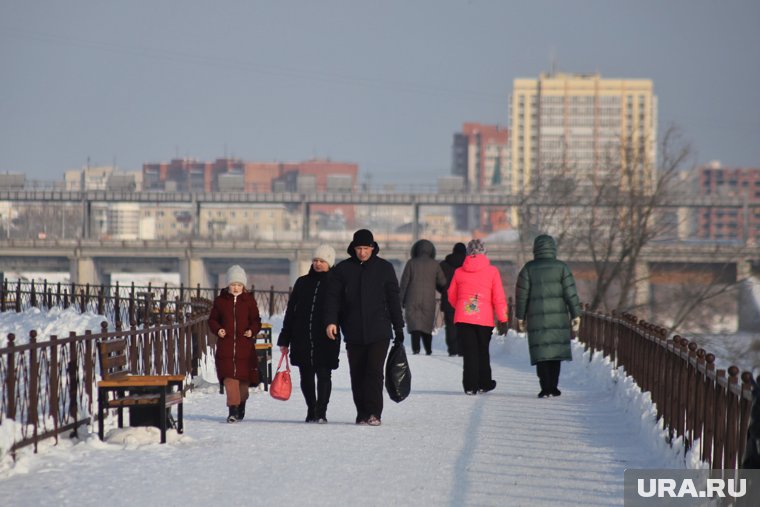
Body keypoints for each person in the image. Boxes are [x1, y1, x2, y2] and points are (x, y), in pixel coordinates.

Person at [325, 229, 405, 426]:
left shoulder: (384, 268)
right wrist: (331, 321)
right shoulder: (343, 270)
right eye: (359, 248)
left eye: (366, 248)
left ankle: (374, 413)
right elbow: (332, 299)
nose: (362, 252)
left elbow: (393, 299)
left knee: (374, 372)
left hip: (379, 330)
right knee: (357, 373)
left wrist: (399, 327)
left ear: (372, 247)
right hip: (353, 330)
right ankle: (361, 413)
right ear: (353, 248)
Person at [277, 244, 340, 423]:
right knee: (305, 375)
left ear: (329, 263)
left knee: (324, 374)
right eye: (315, 260)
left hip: (326, 337)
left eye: (322, 261)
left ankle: (322, 411)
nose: (318, 264)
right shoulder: (302, 282)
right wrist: (285, 338)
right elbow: (291, 311)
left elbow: (343, 310)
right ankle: (311, 408)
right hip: (302, 336)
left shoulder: (336, 283)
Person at [514, 234, 581, 398]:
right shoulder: (562, 268)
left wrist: (520, 316)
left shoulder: (528, 269)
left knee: (542, 354)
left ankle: (545, 387)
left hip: (537, 318)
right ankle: (554, 386)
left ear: (535, 249)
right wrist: (575, 314)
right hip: (558, 318)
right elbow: (571, 293)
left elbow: (522, 295)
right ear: (553, 248)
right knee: (555, 353)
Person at [447, 239, 508, 395]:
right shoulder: (492, 271)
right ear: (484, 252)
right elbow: (498, 297)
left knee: (469, 352)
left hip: (464, 318)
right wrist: (503, 318)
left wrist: (461, 307)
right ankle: (484, 383)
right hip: (484, 318)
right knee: (482, 351)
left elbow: (451, 295)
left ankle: (469, 386)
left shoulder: (459, 272)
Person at [208, 265, 262, 422]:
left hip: (244, 348)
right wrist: (218, 330)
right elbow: (212, 320)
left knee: (243, 383)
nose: (236, 288)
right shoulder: (220, 301)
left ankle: (241, 404)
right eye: (233, 284)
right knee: (229, 379)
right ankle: (232, 410)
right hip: (226, 348)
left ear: (243, 286)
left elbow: (256, 321)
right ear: (228, 285)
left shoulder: (249, 301)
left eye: (239, 285)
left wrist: (252, 331)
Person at [400, 239, 447, 355]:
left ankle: (416, 349)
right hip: (428, 300)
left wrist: (400, 300)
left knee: (415, 325)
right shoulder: (435, 264)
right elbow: (442, 282)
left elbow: (404, 283)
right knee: (426, 324)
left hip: (412, 299)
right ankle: (428, 349)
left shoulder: (411, 263)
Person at [439, 242, 467, 356]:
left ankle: (452, 349)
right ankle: (462, 349)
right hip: (464, 299)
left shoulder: (444, 265)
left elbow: (439, 282)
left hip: (448, 299)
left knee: (450, 325)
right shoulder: (468, 265)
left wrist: (444, 291)